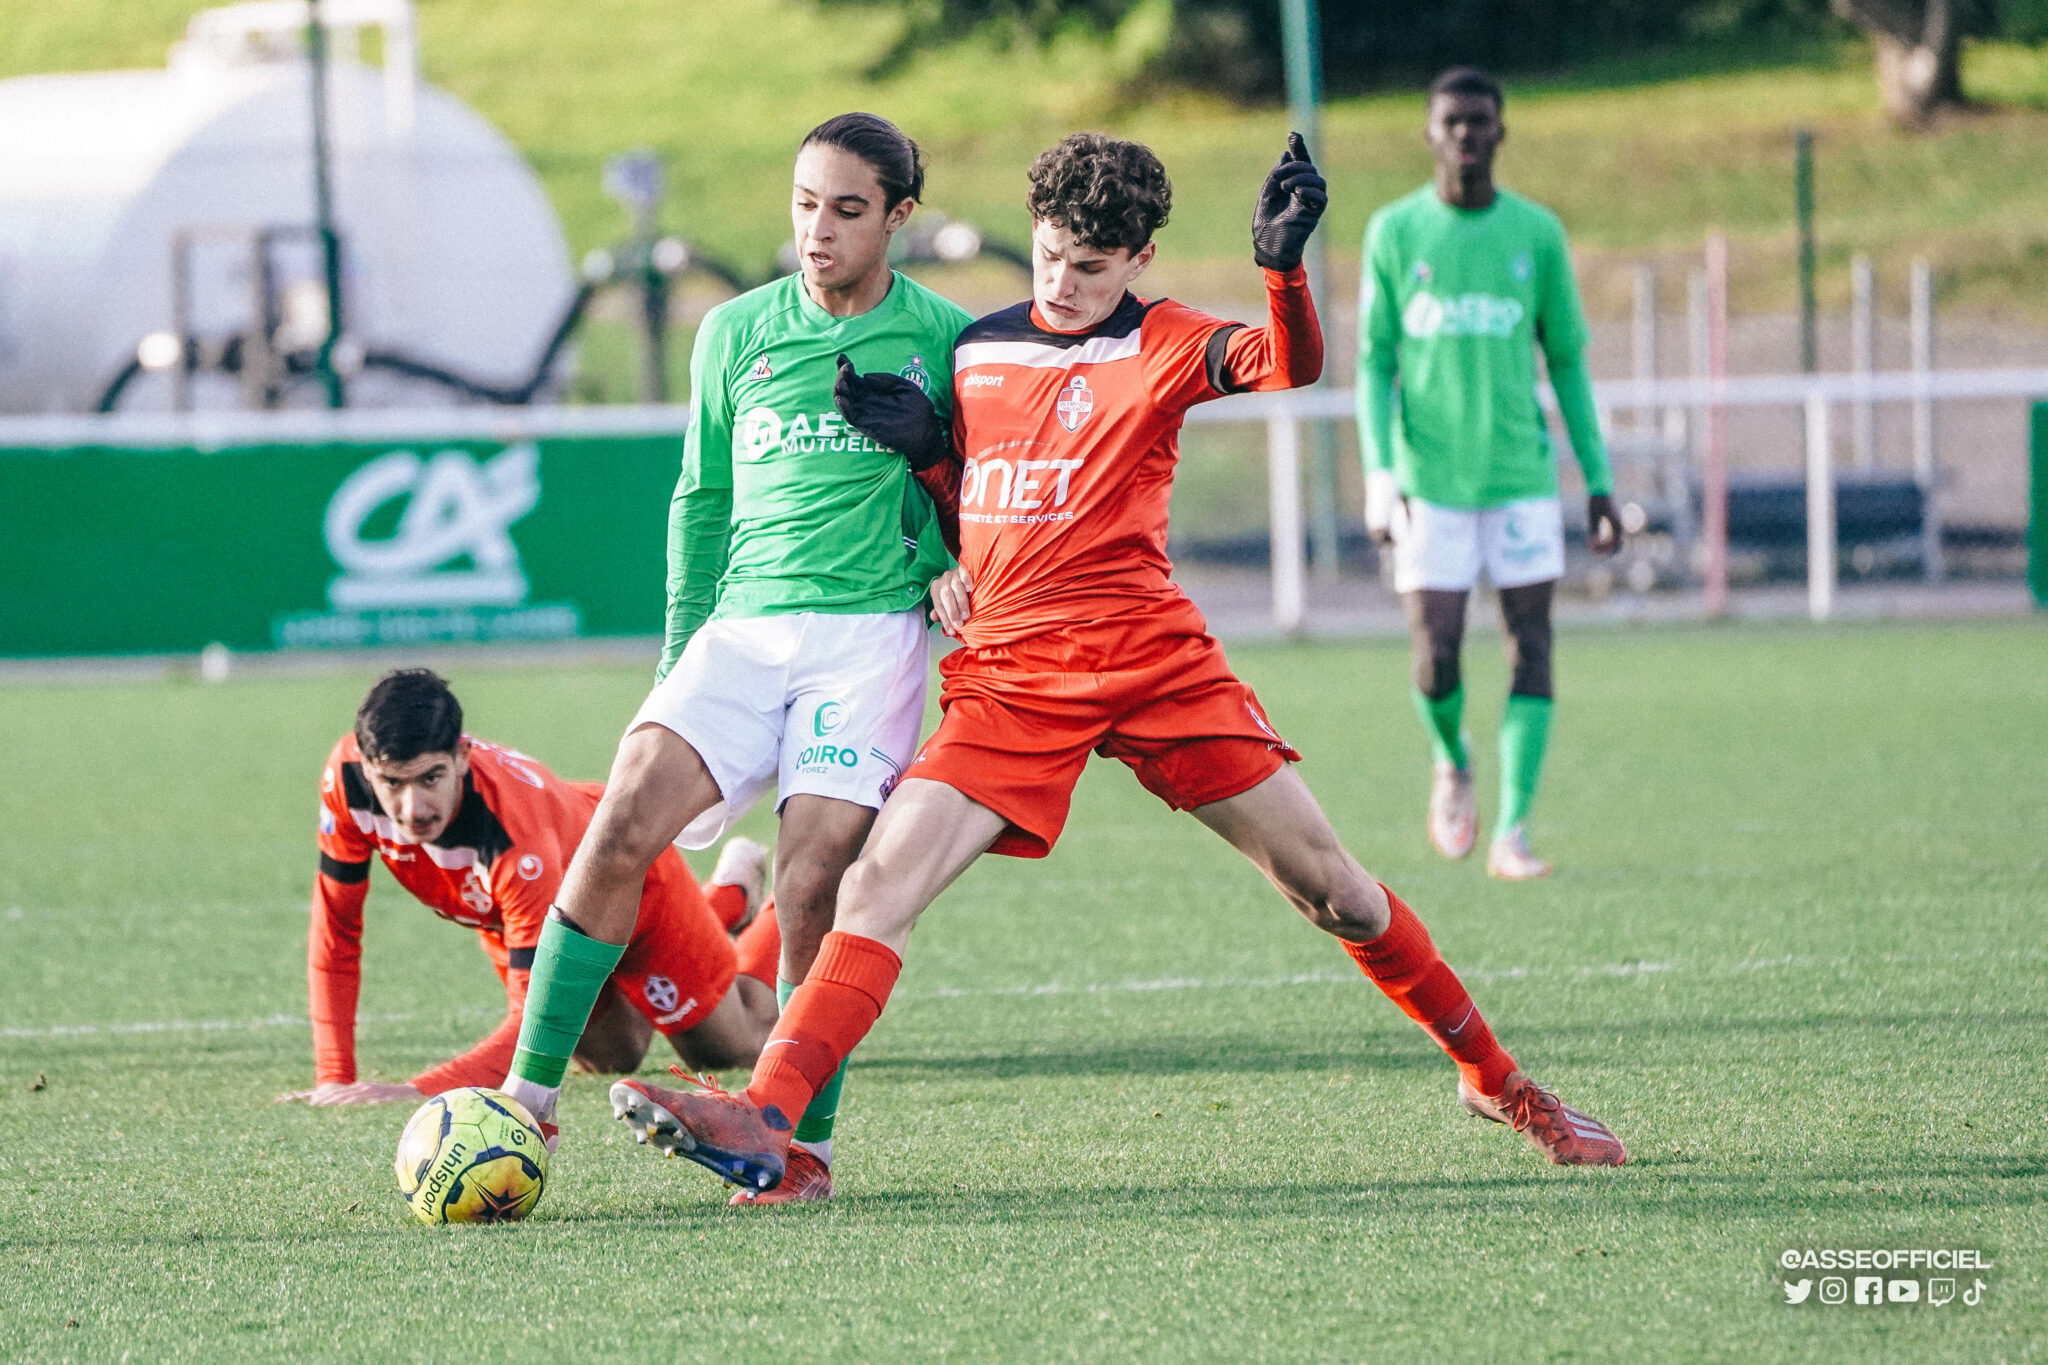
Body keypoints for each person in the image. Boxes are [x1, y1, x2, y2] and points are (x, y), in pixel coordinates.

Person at [606, 130, 1626, 1197]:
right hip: (1010, 679)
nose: (1063, 283)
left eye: (1091, 268)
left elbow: (1289, 364)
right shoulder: (976, 349)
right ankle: (770, 1124)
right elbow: (969, 510)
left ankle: (1496, 1080)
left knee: (1335, 895)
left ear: (1138, 259)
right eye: (1048, 257)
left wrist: (1279, 274)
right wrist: (931, 457)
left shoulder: (1171, 341)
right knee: (875, 887)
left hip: (1149, 662)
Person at [495, 113, 973, 1205]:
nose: (817, 230)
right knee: (617, 824)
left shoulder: (948, 336)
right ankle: (528, 1098)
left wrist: (950, 552)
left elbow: (974, 490)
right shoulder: (735, 332)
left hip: (867, 640)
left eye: (848, 210)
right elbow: (701, 501)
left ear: (898, 218)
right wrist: (678, 653)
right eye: (805, 204)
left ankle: (799, 1148)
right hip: (742, 633)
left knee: (814, 886)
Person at [277, 669, 781, 1127]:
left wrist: (412, 1092)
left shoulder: (516, 840)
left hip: (641, 891)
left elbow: (529, 1023)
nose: (413, 807)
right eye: (392, 783)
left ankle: (788, 904)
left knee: (728, 1051)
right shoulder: (343, 783)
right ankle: (724, 899)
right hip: (531, 919)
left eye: (431, 778)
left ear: (462, 755)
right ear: (366, 769)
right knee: (611, 1058)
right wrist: (334, 1079)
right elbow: (336, 932)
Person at [1357, 67, 1621, 880]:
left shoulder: (1537, 235)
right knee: (1435, 657)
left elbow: (1568, 361)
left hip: (1520, 480)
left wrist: (1600, 480)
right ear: (1431, 135)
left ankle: (1513, 830)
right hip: (1430, 483)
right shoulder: (1395, 232)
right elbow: (1374, 360)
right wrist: (1379, 471)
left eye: (1481, 121)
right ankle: (1452, 757)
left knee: (1529, 646)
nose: (1467, 134)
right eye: (1452, 122)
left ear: (1501, 132)